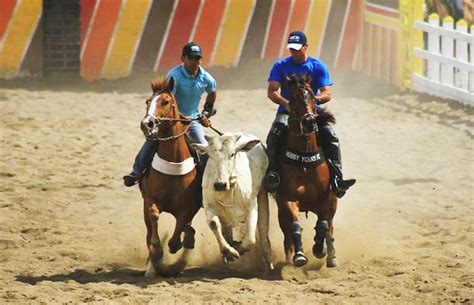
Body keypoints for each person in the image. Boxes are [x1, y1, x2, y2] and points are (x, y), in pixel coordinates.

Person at [264, 31, 355, 198]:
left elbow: (327, 93)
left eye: (297, 49)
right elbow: (272, 91)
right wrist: (287, 104)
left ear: (306, 46)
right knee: (274, 135)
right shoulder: (280, 65)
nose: (294, 52)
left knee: (331, 135)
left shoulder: (318, 66)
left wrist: (312, 101)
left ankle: (337, 179)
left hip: (312, 110)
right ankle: (272, 175)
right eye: (291, 49)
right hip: (287, 111)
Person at [123, 42, 217, 187]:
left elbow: (212, 92)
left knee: (203, 146)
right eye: (191, 58)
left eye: (197, 58)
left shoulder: (206, 78)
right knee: (152, 141)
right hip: (171, 119)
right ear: (183, 58)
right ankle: (136, 172)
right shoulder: (174, 76)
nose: (194, 62)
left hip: (192, 121)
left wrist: (206, 112)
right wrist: (179, 116)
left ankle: (208, 179)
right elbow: (166, 99)